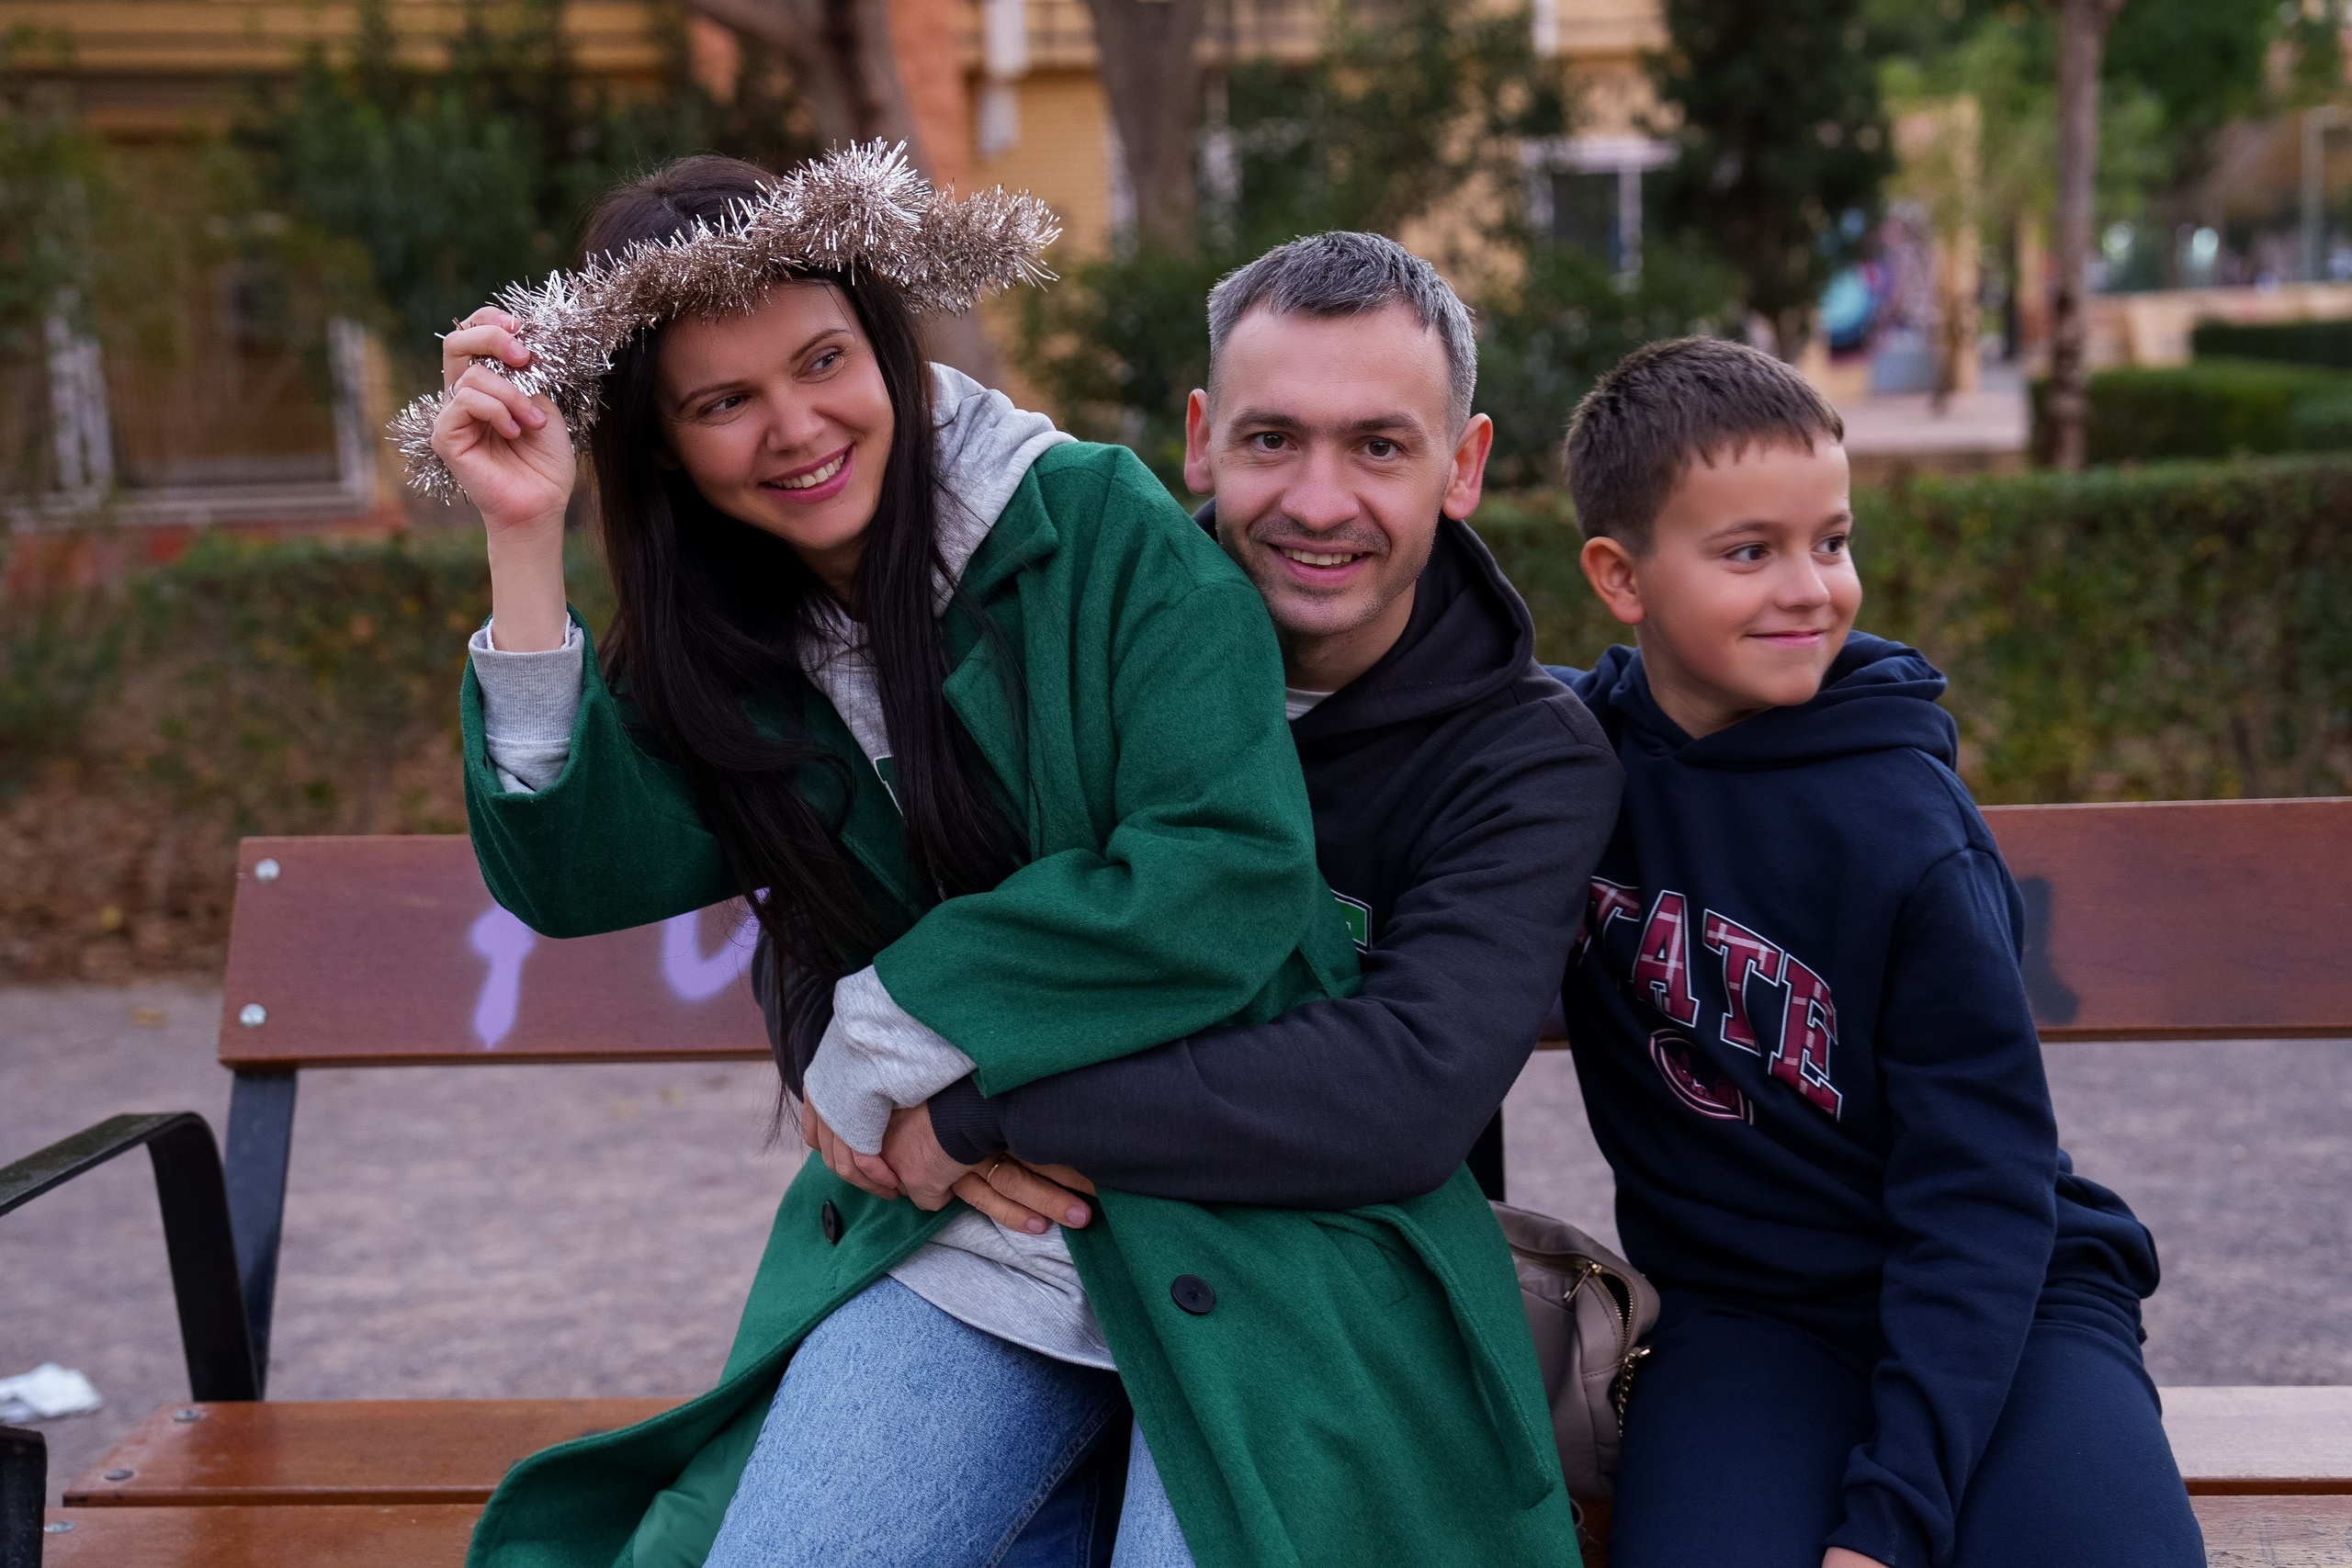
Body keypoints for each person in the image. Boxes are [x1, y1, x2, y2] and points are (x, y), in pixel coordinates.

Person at [435, 152, 1577, 1568]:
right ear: (666, 445)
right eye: (724, 401)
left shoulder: (1098, 533)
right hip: (979, 1239)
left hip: (1274, 1248)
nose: (794, 426)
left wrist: (912, 1054)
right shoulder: (747, 625)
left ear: (886, 348)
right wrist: (525, 539)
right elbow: (585, 873)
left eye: (823, 360)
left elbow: (1227, 872)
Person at [1544, 335, 2203, 1568]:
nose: (1811, 587)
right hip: (1751, 1319)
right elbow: (1396, 716)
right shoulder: (1567, 763)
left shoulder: (1908, 828)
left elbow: (1984, 1184)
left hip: (2005, 1300)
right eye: (1750, 550)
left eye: (1832, 540)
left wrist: (1892, 1516)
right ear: (1619, 576)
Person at [876, 231, 1622, 1244]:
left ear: (1463, 464)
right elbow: (839, 863)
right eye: (1271, 440)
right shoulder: (1052, 652)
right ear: (1201, 437)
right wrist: (836, 1065)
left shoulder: (1525, 763)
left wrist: (987, 1113)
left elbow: (1401, 1097)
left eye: (1379, 446)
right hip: (1030, 1253)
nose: (1319, 504)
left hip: (1330, 1278)